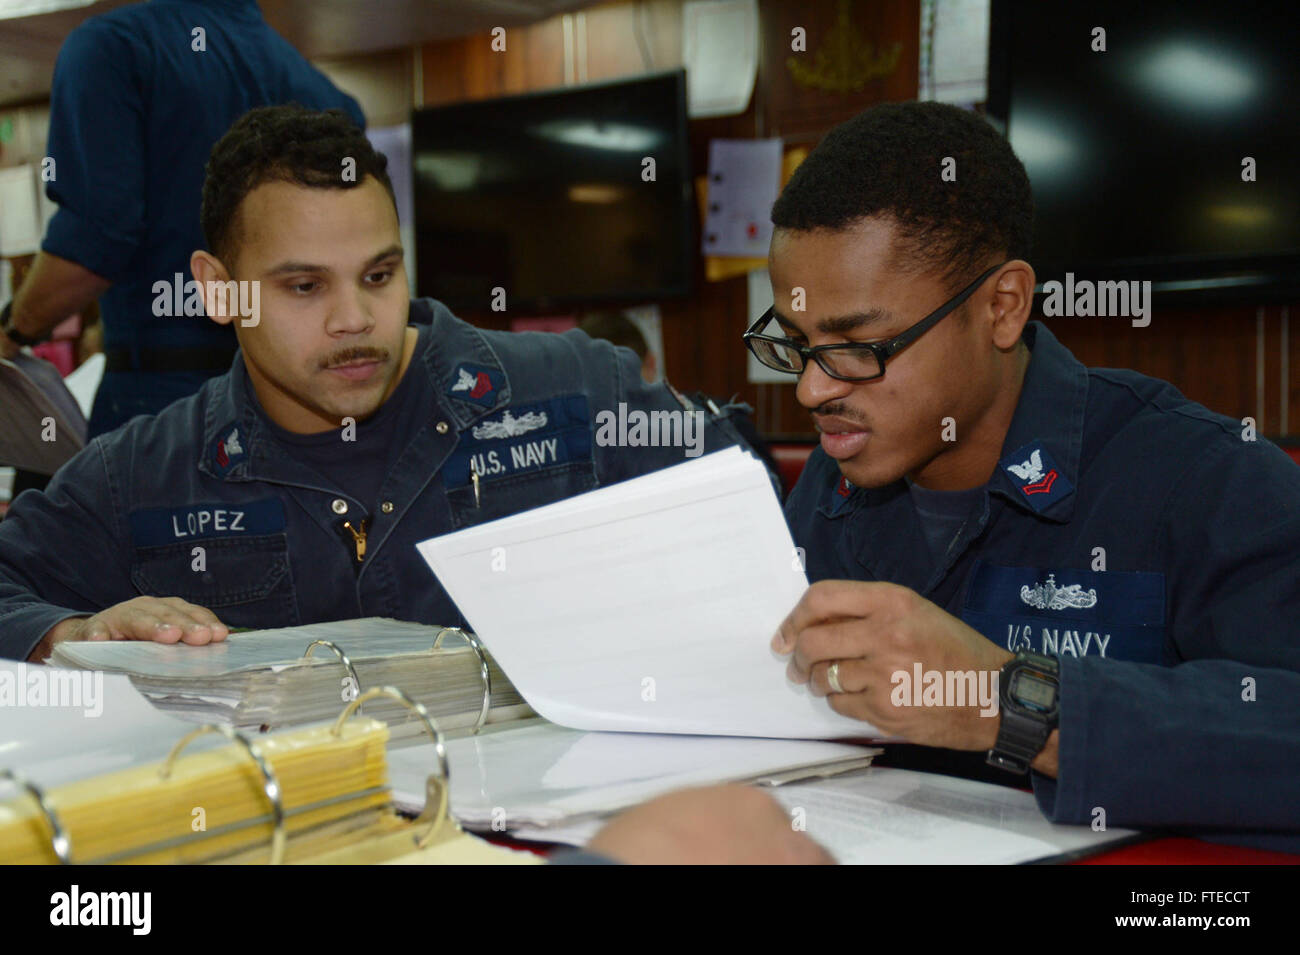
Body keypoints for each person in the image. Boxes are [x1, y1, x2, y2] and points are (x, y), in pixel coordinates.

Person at [0, 105, 754, 663]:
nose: (355, 319)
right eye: (305, 287)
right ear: (220, 290)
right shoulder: (141, 477)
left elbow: (752, 502)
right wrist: (69, 635)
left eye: (379, 275)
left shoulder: (571, 394)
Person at [755, 101, 1300, 853]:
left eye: (859, 345)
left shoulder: (1203, 478)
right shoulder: (831, 481)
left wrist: (1006, 700)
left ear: (1002, 307)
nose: (812, 390)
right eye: (795, 344)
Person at [0, 0, 364, 437]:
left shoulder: (112, 47)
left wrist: (14, 330)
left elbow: (94, 243)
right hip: (298, 402)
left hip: (162, 398)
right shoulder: (326, 97)